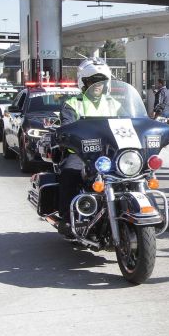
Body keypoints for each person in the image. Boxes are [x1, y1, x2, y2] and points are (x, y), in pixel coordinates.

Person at [57, 58, 118, 232]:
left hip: (110, 153)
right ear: (84, 82)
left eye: (101, 81)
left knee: (140, 172)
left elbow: (132, 123)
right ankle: (66, 218)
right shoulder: (73, 103)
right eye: (92, 80)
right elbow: (66, 129)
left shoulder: (114, 104)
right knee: (69, 172)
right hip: (81, 154)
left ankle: (152, 213)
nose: (97, 85)